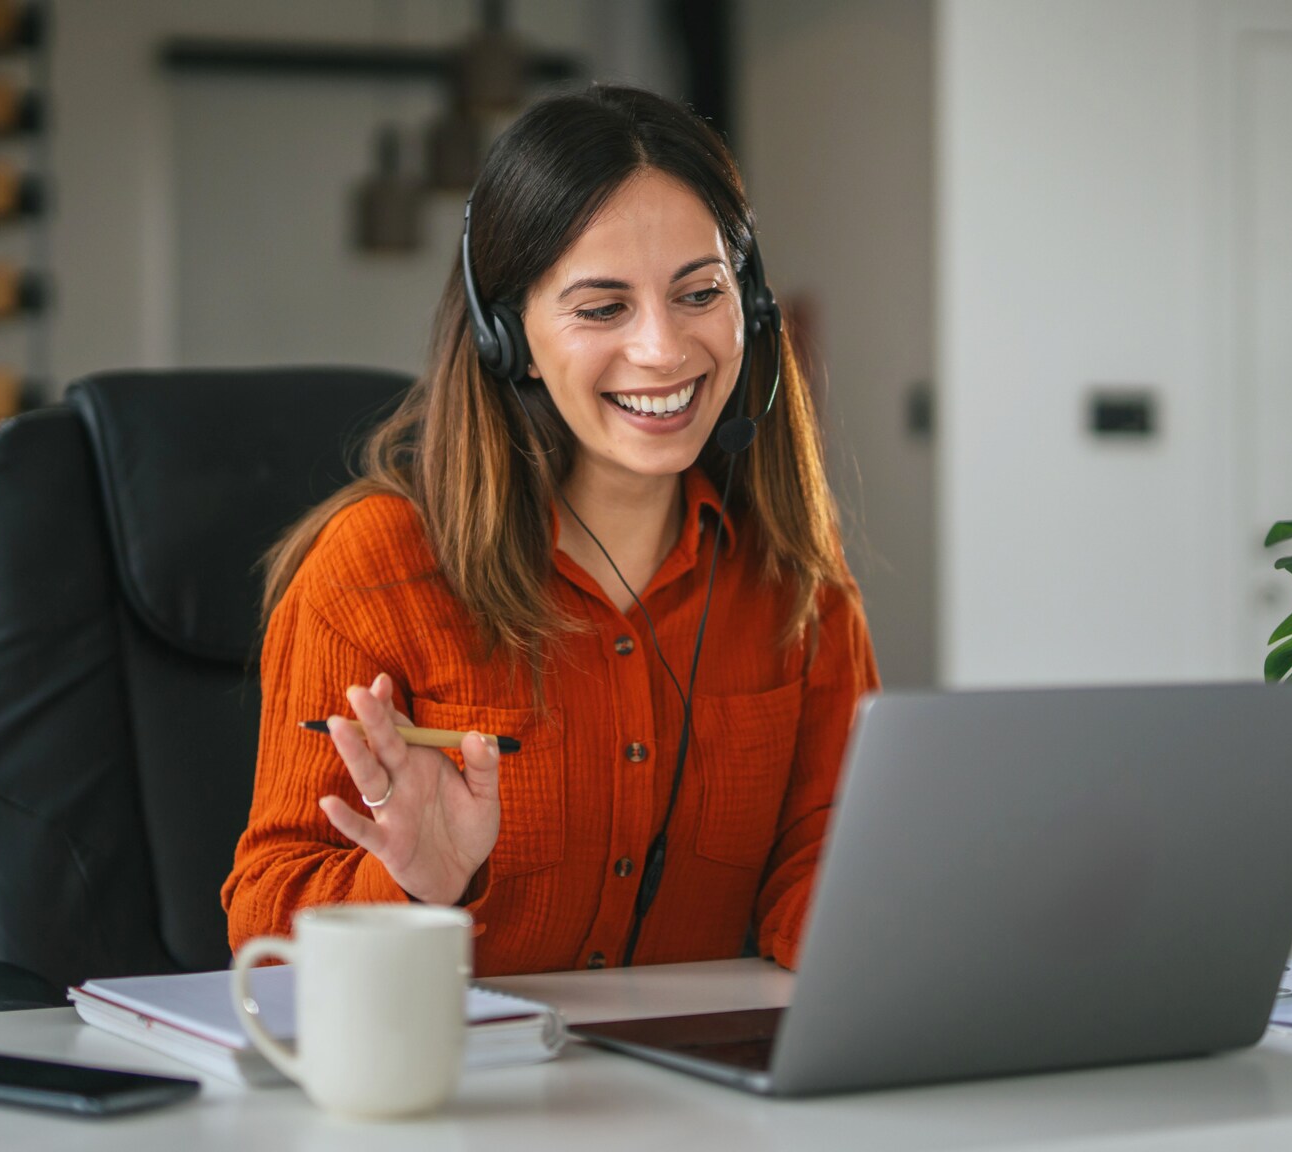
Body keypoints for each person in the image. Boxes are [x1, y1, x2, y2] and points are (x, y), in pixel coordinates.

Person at [222, 84, 878, 976]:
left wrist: (913, 918)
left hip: (712, 1099)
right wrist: (415, 890)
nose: (664, 349)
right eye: (602, 308)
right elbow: (262, 933)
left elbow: (819, 864)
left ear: (749, 306)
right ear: (509, 336)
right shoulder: (370, 573)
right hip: (458, 1099)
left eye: (700, 293)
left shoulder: (794, 568)